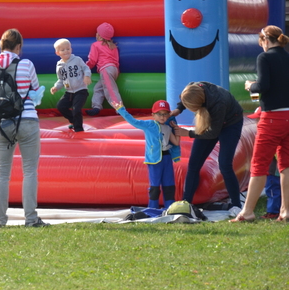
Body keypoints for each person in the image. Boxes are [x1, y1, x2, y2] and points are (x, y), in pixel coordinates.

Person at [0, 29, 48, 227]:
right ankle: (31, 219)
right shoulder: (26, 64)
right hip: (27, 119)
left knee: (1, 173)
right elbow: (36, 91)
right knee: (29, 171)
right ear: (18, 46)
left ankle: (0, 221)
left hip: (1, 123)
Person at [230, 26, 289, 222]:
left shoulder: (264, 57)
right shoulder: (287, 56)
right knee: (286, 165)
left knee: (259, 165)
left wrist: (251, 85)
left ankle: (247, 211)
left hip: (272, 118)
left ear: (265, 40)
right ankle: (285, 210)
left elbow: (263, 86)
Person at [170, 81, 244, 212]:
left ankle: (236, 204)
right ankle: (186, 202)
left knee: (225, 165)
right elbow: (185, 96)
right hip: (212, 120)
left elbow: (213, 133)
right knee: (194, 163)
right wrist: (179, 108)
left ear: (199, 105)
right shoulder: (194, 87)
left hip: (231, 124)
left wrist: (189, 133)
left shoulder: (218, 102)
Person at [113, 100, 181, 209]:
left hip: (167, 157)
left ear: (169, 115)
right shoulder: (149, 125)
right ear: (153, 115)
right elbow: (134, 122)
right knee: (155, 185)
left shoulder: (168, 127)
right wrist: (121, 110)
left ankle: (170, 207)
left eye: (165, 114)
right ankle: (152, 208)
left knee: (169, 183)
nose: (162, 117)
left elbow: (176, 142)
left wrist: (177, 130)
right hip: (154, 159)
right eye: (159, 114)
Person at [50, 38, 92, 132]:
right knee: (61, 106)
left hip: (81, 90)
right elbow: (61, 79)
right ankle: (73, 120)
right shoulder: (59, 65)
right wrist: (56, 87)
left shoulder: (77, 60)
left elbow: (86, 68)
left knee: (76, 109)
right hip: (69, 92)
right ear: (58, 53)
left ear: (71, 49)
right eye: (63, 50)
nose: (66, 51)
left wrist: (87, 76)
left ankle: (79, 129)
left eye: (68, 49)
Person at [85, 22, 121, 116]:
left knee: (110, 90)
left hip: (106, 69)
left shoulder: (96, 45)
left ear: (99, 35)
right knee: (98, 88)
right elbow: (116, 60)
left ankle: (120, 109)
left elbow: (92, 60)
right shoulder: (113, 46)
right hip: (114, 70)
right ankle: (96, 107)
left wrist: (85, 68)